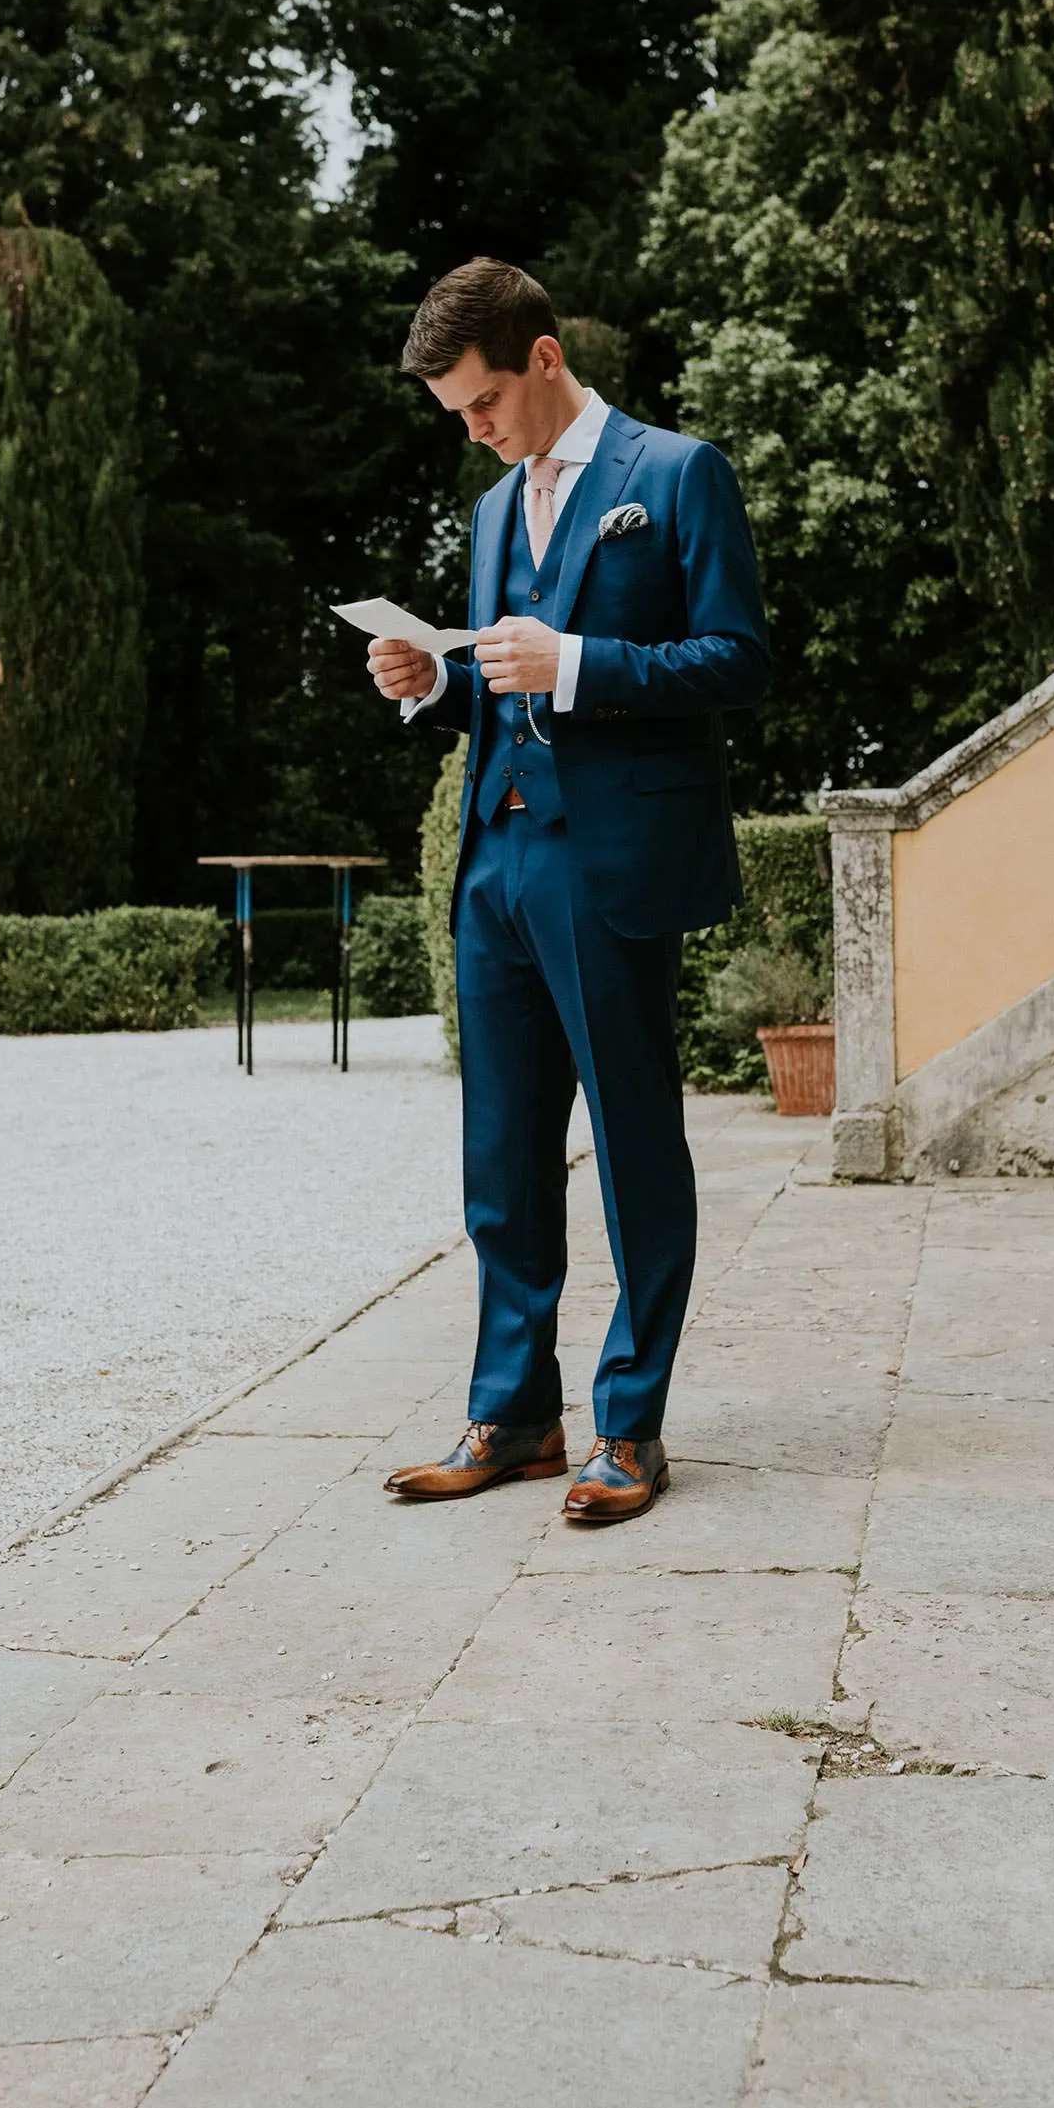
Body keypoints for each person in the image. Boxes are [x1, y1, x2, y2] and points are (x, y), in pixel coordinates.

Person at [369, 258, 770, 1522]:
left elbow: (740, 660)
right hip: (496, 858)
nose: (474, 431)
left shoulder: (675, 473)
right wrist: (435, 686)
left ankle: (630, 1426)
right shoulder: (493, 514)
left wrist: (581, 661)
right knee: (501, 1153)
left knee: (636, 1147)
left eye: (482, 403)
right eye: (456, 415)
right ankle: (515, 1416)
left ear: (542, 358)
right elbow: (504, 684)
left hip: (610, 863)